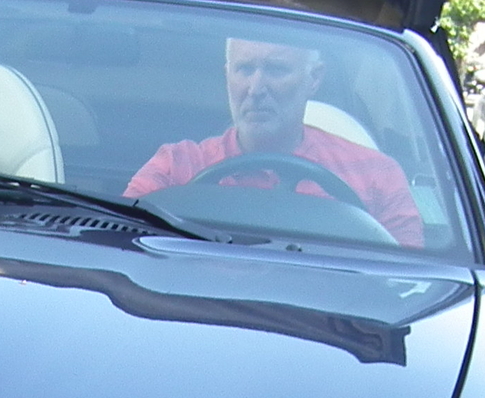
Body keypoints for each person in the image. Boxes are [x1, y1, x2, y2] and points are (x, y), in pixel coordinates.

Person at [126, 39, 425, 247]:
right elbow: (120, 244)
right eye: (244, 69)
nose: (256, 88)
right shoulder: (175, 167)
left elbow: (409, 282)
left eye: (276, 70)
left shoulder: (376, 175)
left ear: (314, 78)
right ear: (227, 75)